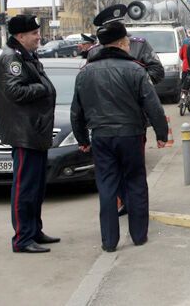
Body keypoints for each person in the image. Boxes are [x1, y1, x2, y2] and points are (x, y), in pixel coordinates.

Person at [71, 20, 169, 252]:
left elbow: (77, 110)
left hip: (101, 136)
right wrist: (161, 134)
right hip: (131, 134)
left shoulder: (85, 72)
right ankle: (138, 235)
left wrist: (83, 139)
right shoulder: (135, 70)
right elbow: (153, 105)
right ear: (123, 43)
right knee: (135, 182)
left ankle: (109, 241)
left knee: (106, 186)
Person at [0, 15, 58, 254]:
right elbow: (14, 90)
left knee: (37, 187)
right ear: (20, 36)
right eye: (34, 33)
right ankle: (22, 238)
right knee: (25, 188)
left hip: (35, 132)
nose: (38, 36)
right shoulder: (12, 58)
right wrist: (43, 88)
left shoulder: (25, 55)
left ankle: (34, 230)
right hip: (24, 133)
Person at [88, 5, 164, 85]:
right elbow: (88, 78)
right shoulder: (94, 51)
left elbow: (157, 71)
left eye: (121, 25)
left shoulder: (139, 45)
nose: (118, 29)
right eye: (114, 26)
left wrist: (137, 83)